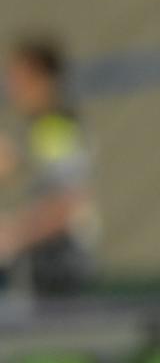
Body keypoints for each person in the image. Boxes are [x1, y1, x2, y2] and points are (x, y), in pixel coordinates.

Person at [0, 36, 99, 296]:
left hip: (59, 273)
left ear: (42, 79)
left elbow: (67, 203)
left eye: (19, 79)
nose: (12, 88)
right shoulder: (38, 131)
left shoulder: (54, 130)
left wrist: (14, 235)